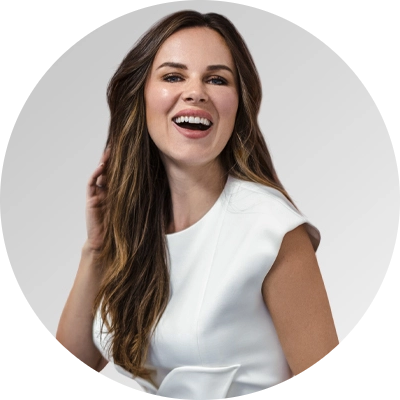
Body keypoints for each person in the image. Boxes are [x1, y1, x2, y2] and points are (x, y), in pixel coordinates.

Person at [56, 10, 339, 398]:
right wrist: (96, 250)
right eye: (173, 76)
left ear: (239, 104)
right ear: (141, 95)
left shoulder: (271, 230)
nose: (195, 91)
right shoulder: (135, 226)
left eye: (217, 79)